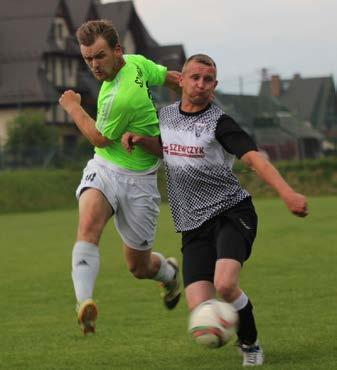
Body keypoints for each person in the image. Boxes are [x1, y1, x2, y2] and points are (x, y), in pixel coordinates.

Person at [122, 54, 308, 366]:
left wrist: (287, 193)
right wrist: (142, 140)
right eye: (194, 77)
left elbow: (254, 159)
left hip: (231, 213)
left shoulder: (220, 123)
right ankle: (231, 328)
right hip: (192, 224)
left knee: (225, 285)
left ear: (215, 85)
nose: (201, 84)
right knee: (201, 310)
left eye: (208, 80)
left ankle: (250, 343)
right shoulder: (164, 117)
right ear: (180, 80)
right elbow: (167, 148)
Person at [58, 20, 182, 335]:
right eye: (88, 59)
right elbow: (168, 77)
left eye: (99, 56)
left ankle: (168, 273)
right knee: (87, 228)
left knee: (138, 268)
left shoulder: (120, 96)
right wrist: (188, 95)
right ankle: (84, 304)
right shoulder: (137, 63)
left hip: (139, 179)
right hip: (105, 168)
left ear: (117, 51)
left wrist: (72, 107)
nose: (94, 65)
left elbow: (99, 137)